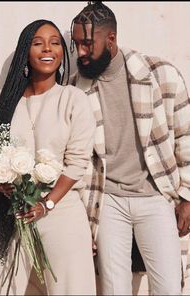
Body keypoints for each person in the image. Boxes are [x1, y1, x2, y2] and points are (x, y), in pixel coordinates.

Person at [70, 1, 190, 295]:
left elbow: (186, 136)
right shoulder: (76, 90)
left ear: (110, 39)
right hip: (107, 200)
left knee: (169, 287)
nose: (81, 53)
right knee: (113, 289)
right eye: (76, 45)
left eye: (87, 44)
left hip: (155, 194)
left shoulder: (160, 74)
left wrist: (188, 195)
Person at [0, 19, 96, 296]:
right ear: (25, 52)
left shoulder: (73, 99)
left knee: (73, 289)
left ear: (63, 53)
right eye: (37, 42)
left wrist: (46, 204)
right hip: (10, 213)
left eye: (55, 42)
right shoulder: (1, 102)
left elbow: (78, 162)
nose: (47, 48)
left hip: (61, 212)